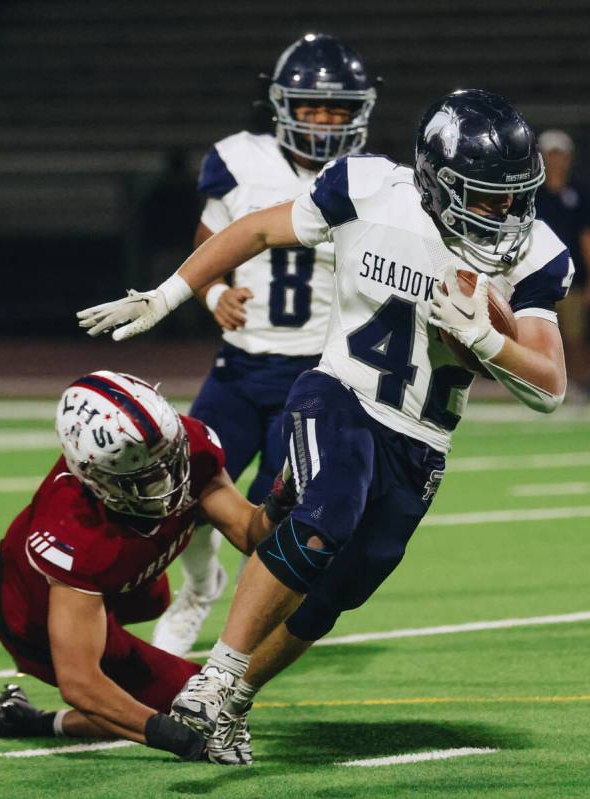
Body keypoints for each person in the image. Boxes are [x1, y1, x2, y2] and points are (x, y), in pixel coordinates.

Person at [77, 89, 572, 765]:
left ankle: (231, 700)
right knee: (329, 506)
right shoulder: (368, 189)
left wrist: (486, 338)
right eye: (486, 196)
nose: (505, 212)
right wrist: (169, 294)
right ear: (436, 180)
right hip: (338, 391)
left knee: (336, 594)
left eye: (515, 195)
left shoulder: (532, 251)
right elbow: (254, 229)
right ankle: (213, 672)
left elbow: (547, 383)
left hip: (420, 441)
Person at [151, 32, 377, 657]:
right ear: (282, 105)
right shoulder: (238, 159)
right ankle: (197, 590)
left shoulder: (370, 181)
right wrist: (209, 292)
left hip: (315, 378)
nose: (327, 121)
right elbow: (207, 239)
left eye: (338, 109)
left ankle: (239, 645)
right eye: (313, 108)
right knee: (182, 491)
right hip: (238, 368)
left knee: (270, 525)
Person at [0, 370, 295, 760]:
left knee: (156, 603)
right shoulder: (72, 530)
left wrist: (280, 504)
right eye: (147, 477)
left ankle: (31, 719)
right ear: (96, 478)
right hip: (34, 605)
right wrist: (179, 740)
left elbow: (248, 534)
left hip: (129, 579)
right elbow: (81, 682)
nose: (170, 478)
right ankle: (30, 720)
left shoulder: (181, 444)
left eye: (169, 458)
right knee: (194, 711)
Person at [535, 129, 590, 398]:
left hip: (571, 278)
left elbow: (589, 239)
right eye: (550, 155)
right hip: (537, 277)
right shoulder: (532, 195)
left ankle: (577, 388)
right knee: (538, 335)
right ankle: (540, 388)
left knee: (575, 338)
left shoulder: (580, 196)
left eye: (560, 155)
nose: (556, 161)